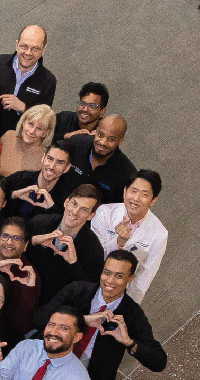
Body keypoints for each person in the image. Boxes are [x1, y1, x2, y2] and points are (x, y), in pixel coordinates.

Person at [34, 250, 167, 380]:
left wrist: (129, 342)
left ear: (130, 278)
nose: (110, 280)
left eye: (119, 276)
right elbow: (38, 319)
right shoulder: (77, 290)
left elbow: (159, 362)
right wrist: (82, 320)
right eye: (107, 272)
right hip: (44, 362)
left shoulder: (133, 314)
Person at [89, 170, 166, 302]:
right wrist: (118, 243)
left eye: (144, 194)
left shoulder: (159, 234)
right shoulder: (104, 213)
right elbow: (92, 256)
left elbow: (143, 278)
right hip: (88, 280)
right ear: (125, 192)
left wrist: (127, 309)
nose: (136, 198)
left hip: (118, 295)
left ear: (153, 201)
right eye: (133, 191)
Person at [27, 184, 104, 306]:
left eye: (84, 209)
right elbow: (13, 249)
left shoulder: (94, 249)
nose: (75, 212)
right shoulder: (39, 223)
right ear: (66, 202)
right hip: (24, 292)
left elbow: (89, 293)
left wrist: (73, 264)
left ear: (91, 216)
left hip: (55, 308)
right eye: (74, 204)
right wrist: (33, 241)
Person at [0, 25, 57, 133]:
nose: (28, 53)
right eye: (24, 46)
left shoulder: (48, 80)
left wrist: (24, 108)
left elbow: (44, 121)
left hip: (20, 141)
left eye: (35, 48)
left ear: (44, 50)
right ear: (17, 45)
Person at [59, 115, 135, 204]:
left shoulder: (127, 174)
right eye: (100, 135)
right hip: (55, 207)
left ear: (120, 140)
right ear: (96, 130)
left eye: (111, 139)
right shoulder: (76, 143)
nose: (103, 142)